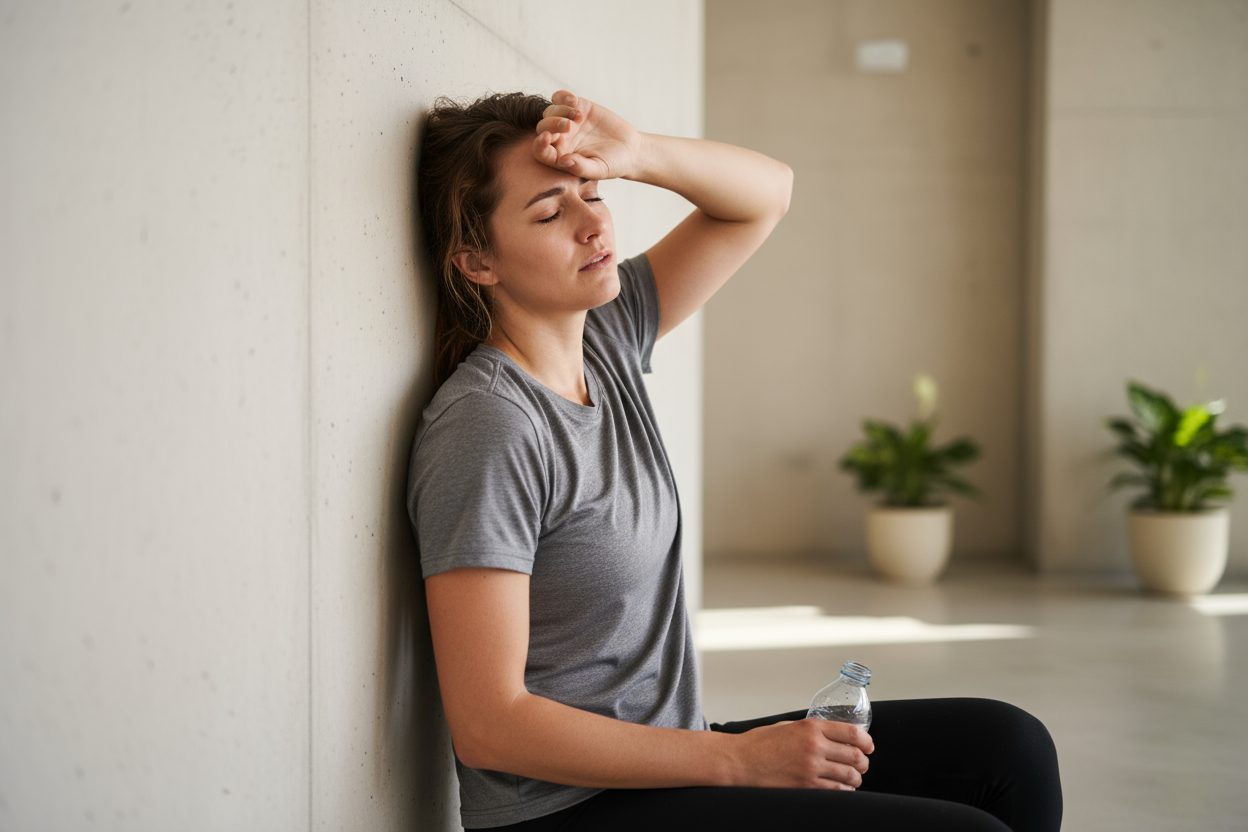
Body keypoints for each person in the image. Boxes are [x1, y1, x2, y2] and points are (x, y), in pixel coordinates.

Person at [407, 90, 1062, 832]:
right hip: (567, 810)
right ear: (476, 260)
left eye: (594, 191)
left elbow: (765, 196)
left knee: (1009, 749)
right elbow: (491, 725)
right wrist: (742, 761)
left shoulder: (606, 339)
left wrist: (640, 153)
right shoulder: (489, 427)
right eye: (552, 212)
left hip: (671, 763)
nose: (596, 223)